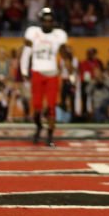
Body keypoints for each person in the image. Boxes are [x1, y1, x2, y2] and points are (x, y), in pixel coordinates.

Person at [20, 8, 69, 146]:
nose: (48, 23)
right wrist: (24, 70)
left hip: (52, 73)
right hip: (37, 71)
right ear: (41, 21)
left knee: (52, 106)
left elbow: (65, 56)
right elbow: (26, 52)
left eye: (50, 20)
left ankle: (50, 135)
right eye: (45, 20)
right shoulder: (33, 33)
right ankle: (39, 126)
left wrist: (69, 73)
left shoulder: (58, 35)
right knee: (36, 107)